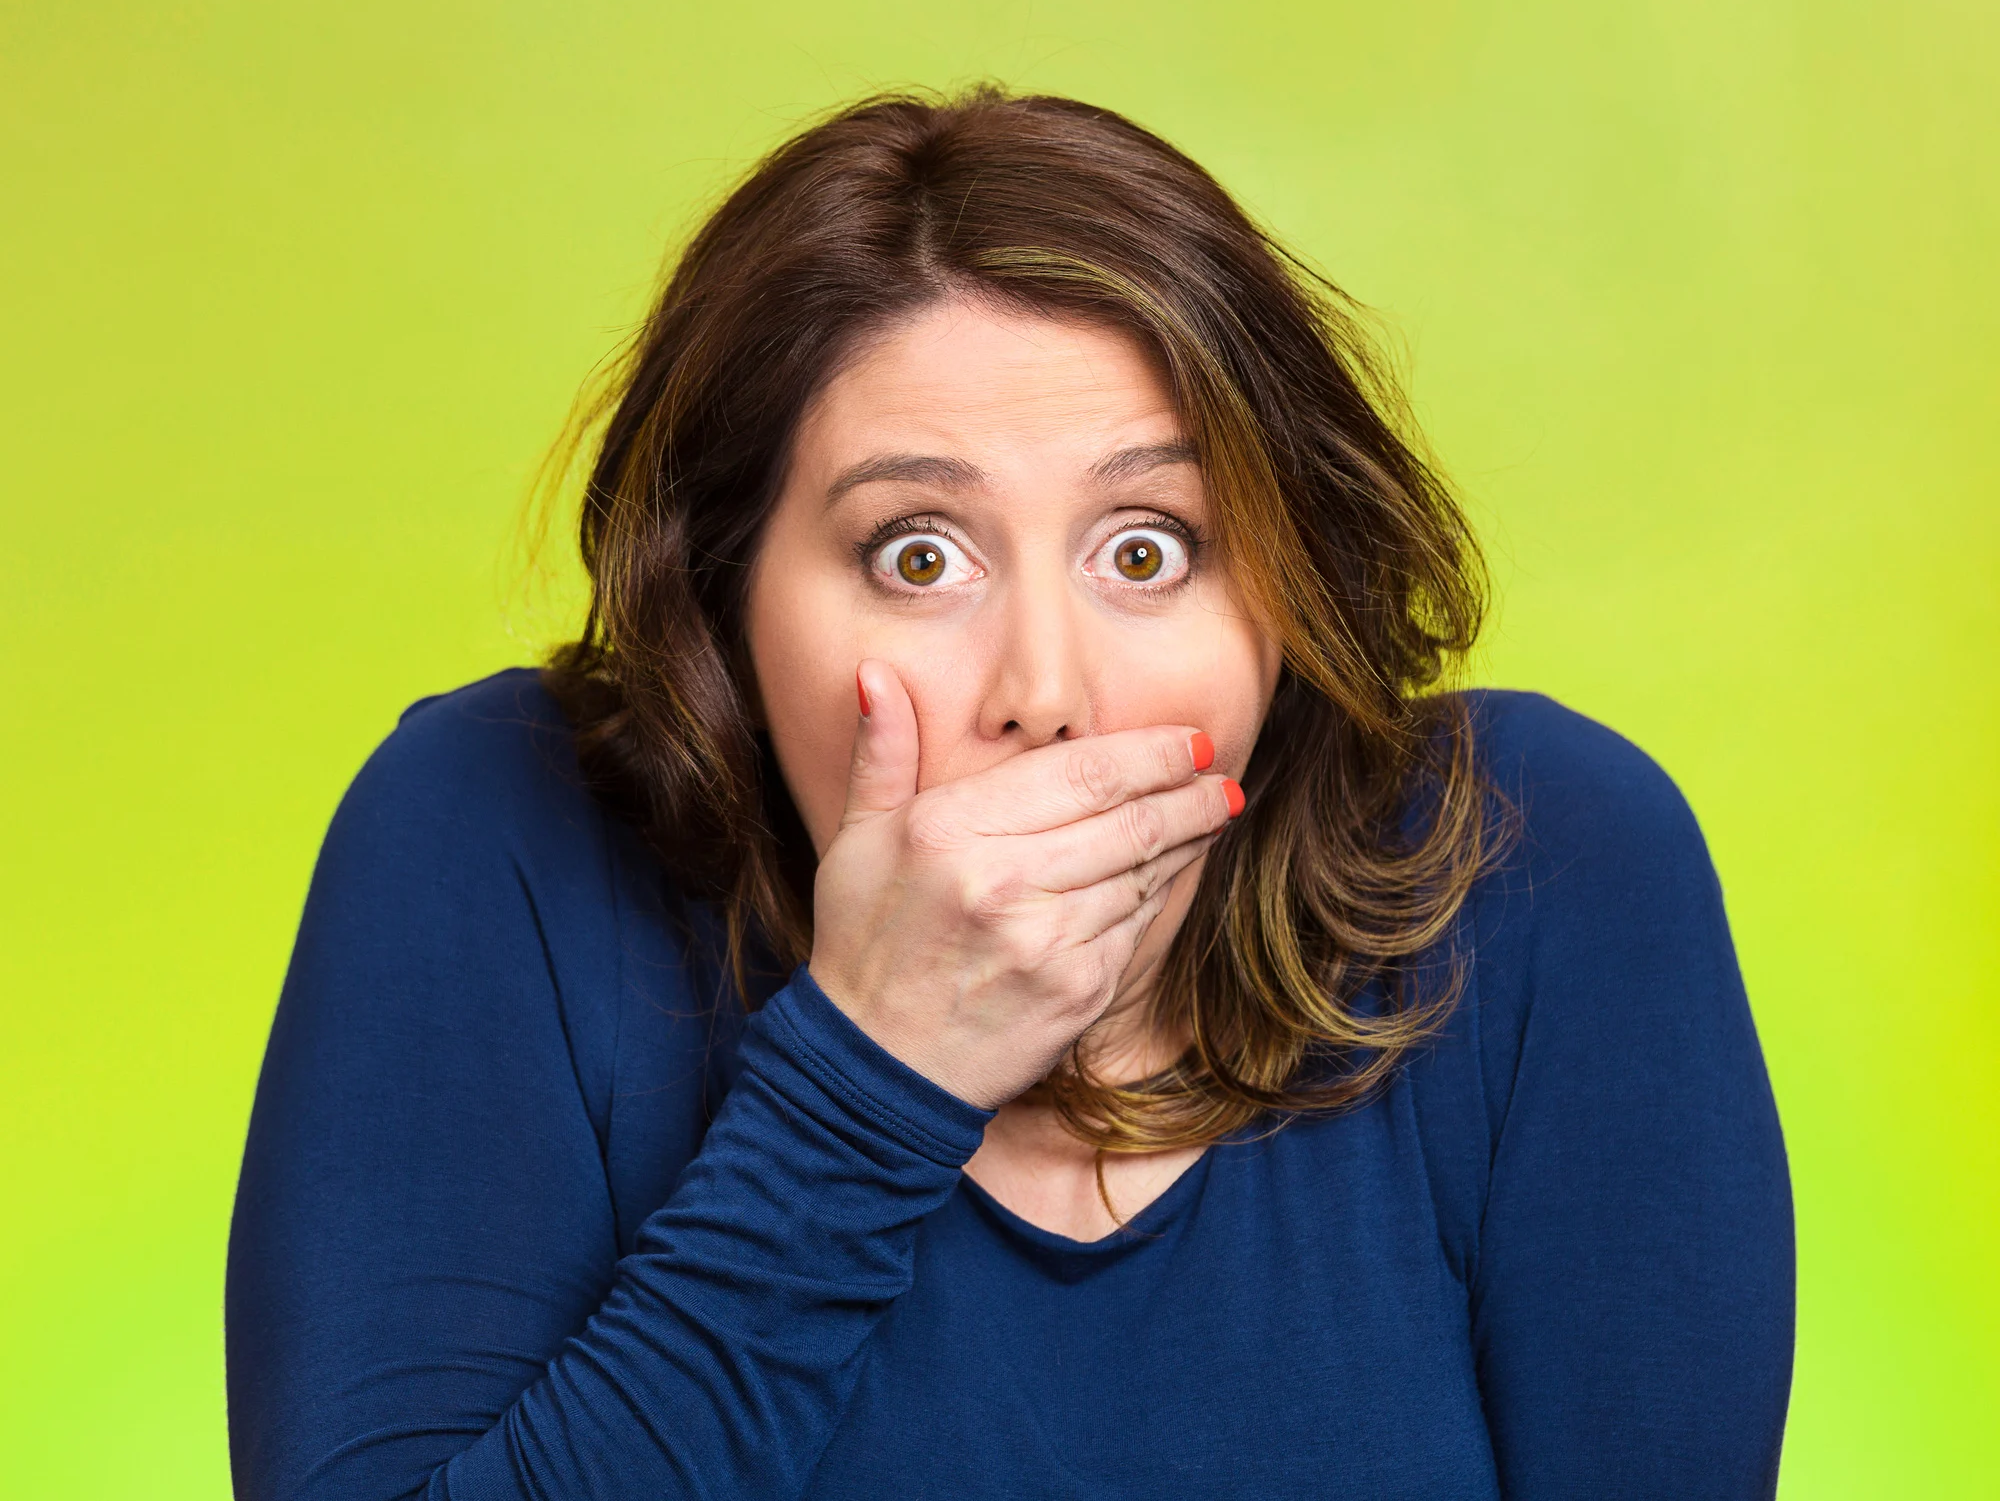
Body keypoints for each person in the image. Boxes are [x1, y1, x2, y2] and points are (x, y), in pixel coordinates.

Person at [226, 87, 1793, 1500]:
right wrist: (869, 1075)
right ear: (725, 598)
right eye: (919, 555)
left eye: (1148, 548)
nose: (1045, 686)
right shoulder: (494, 831)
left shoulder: (1538, 866)